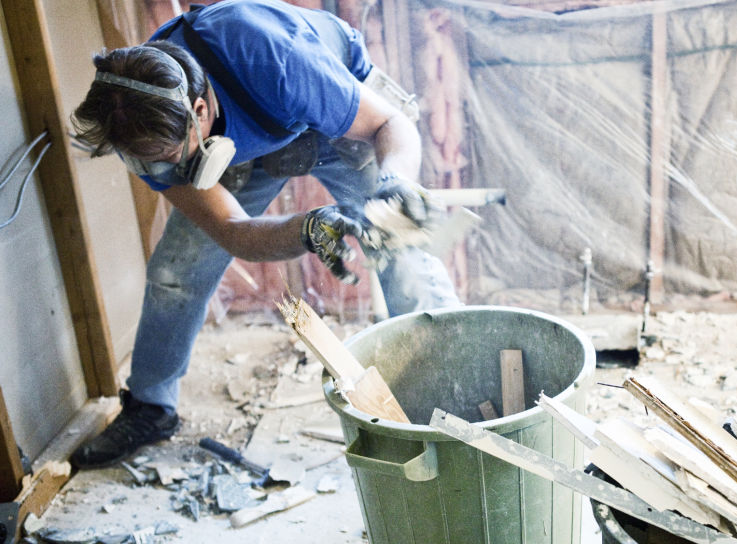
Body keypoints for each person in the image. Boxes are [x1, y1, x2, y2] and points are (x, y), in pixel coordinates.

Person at [68, 0, 460, 469]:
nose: (158, 170)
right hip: (234, 143)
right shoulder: (143, 124)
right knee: (177, 268)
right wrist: (308, 229)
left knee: (397, 241)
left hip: (327, 114)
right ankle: (151, 407)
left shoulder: (275, 58)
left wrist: (394, 184)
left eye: (166, 157)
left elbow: (391, 124)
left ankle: (450, 393)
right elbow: (235, 233)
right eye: (145, 160)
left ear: (198, 109)